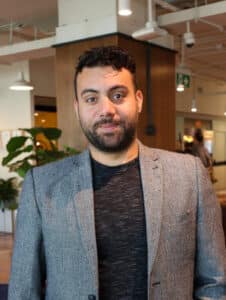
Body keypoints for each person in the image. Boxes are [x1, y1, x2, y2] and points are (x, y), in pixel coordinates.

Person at [9, 46, 226, 300]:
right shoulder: (43, 185)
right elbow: (24, 290)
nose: (106, 110)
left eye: (118, 95)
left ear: (139, 100)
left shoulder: (189, 176)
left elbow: (214, 283)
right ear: (78, 107)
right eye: (92, 98)